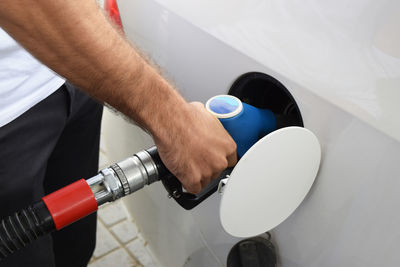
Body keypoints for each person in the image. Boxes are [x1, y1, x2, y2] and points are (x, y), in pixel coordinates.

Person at [0, 1, 237, 266]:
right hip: (7, 112)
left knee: (74, 244)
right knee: (19, 247)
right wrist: (175, 123)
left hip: (75, 70)